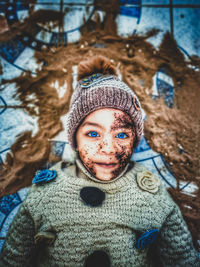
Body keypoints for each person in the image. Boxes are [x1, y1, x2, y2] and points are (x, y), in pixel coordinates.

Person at [0, 56, 199, 267]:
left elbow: (181, 258)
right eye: (93, 133)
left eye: (121, 135)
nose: (109, 148)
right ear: (75, 139)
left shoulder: (151, 194)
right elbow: (13, 258)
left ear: (134, 141)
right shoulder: (46, 193)